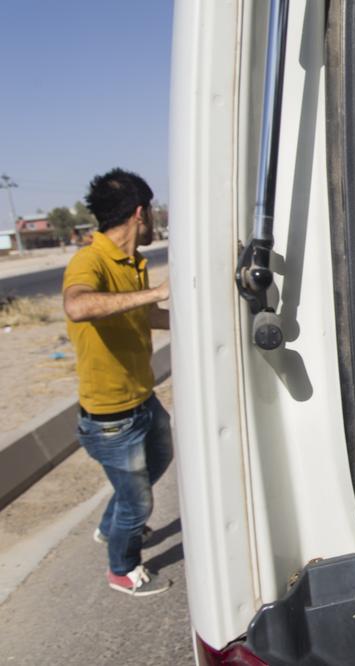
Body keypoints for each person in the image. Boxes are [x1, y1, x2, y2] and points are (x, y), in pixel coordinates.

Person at [63, 168, 173, 597]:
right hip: (111, 418)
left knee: (160, 458)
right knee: (138, 501)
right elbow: (78, 307)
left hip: (141, 399)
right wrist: (157, 292)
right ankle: (122, 569)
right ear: (140, 213)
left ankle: (112, 527)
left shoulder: (132, 262)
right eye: (153, 213)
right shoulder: (89, 260)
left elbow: (144, 313)